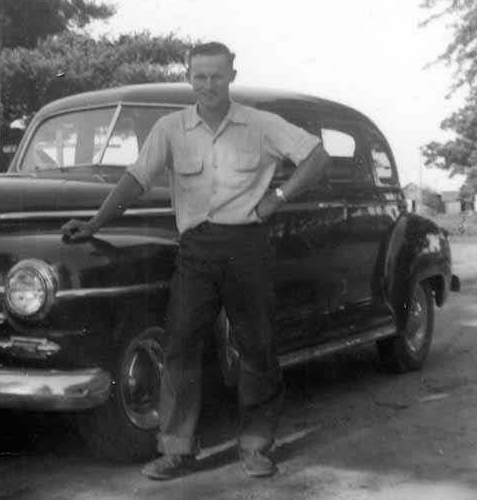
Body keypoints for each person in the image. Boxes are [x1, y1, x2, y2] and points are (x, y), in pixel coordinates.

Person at [61, 42, 329, 480]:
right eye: (199, 76)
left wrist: (278, 197)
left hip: (247, 246)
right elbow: (135, 179)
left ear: (232, 76)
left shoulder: (260, 124)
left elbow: (317, 157)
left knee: (257, 347)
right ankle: (177, 450)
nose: (208, 85)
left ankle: (257, 446)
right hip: (196, 250)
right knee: (180, 346)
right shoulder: (171, 128)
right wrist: (95, 222)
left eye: (216, 76)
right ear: (189, 77)